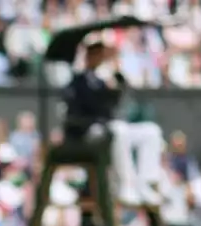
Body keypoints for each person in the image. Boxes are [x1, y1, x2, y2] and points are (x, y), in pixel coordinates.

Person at [62, 41, 165, 206]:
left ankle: (145, 184)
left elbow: (115, 104)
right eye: (96, 54)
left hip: (111, 129)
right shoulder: (77, 81)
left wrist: (116, 81)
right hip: (87, 131)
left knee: (151, 132)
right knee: (119, 131)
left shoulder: (106, 79)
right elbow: (80, 109)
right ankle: (126, 185)